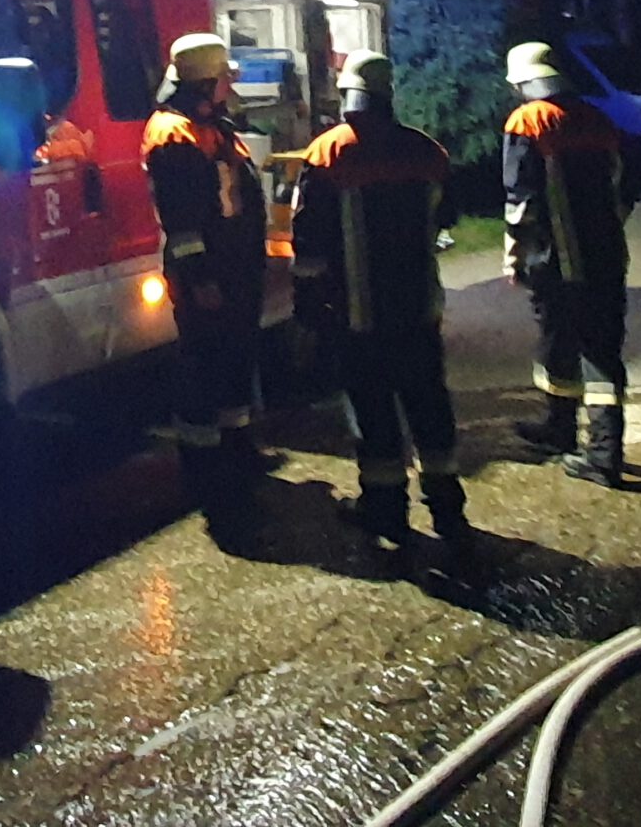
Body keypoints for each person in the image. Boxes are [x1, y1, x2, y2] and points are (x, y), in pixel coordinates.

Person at [293, 51, 471, 543]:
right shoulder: (426, 151)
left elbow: (309, 242)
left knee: (373, 414)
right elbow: (447, 216)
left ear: (348, 96)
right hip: (419, 311)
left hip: (359, 316)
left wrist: (307, 308)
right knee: (429, 408)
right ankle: (448, 511)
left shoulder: (328, 153)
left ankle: (385, 510)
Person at [501, 40, 635, 487]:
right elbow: (623, 188)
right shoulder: (598, 119)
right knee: (598, 345)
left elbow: (521, 200)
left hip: (555, 260)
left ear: (524, 82)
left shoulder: (528, 121)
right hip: (607, 255)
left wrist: (515, 254)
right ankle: (577, 435)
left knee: (565, 343)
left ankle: (594, 451)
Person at [145, 32, 272, 500]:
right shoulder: (174, 134)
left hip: (233, 264)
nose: (229, 87)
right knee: (203, 364)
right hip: (207, 270)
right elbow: (182, 220)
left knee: (234, 357)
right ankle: (203, 464)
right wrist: (200, 278)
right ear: (204, 82)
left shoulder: (212, 126)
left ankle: (236, 448)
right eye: (224, 79)